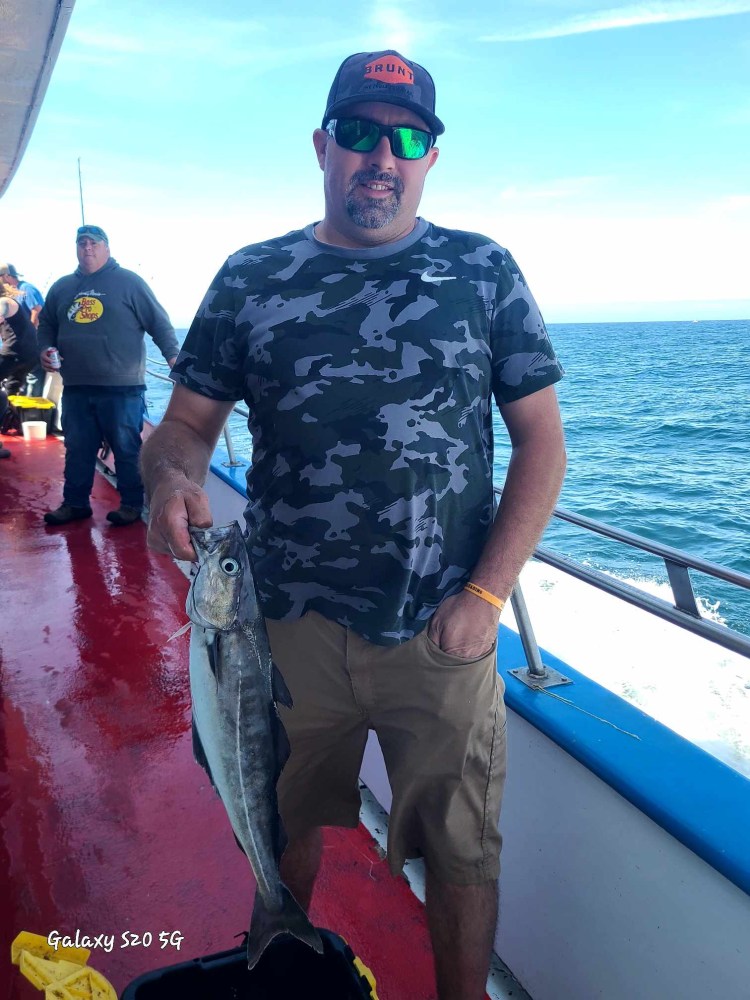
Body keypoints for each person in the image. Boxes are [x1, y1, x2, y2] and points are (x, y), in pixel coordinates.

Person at [141, 50, 566, 1000]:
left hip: (443, 629)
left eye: (407, 136)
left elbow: (542, 443)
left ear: (429, 158)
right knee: (279, 822)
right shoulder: (253, 278)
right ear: (323, 145)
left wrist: (487, 596)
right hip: (283, 630)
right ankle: (282, 971)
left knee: (462, 851)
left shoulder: (483, 270)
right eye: (362, 132)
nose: (383, 154)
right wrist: (170, 482)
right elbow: (182, 431)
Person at [37, 224, 179, 526]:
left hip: (122, 388)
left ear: (107, 248)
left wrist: (173, 358)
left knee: (127, 448)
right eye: (81, 242)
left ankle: (131, 504)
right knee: (77, 448)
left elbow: (160, 324)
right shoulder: (61, 287)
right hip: (75, 386)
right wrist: (45, 349)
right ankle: (75, 503)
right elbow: (46, 324)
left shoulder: (129, 282)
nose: (87, 247)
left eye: (94, 242)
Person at [1, 279, 39, 396]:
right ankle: (11, 412)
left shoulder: (4, 301)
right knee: (10, 391)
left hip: (14, 354)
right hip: (28, 356)